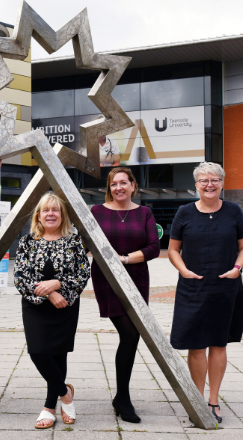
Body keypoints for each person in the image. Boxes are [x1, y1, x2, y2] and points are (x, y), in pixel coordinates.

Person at [167, 162, 243, 424]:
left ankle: (214, 400)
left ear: (222, 183)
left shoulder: (234, 211)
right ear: (196, 185)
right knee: (195, 345)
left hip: (226, 288)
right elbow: (172, 250)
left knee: (219, 343)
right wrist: (183, 270)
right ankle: (197, 400)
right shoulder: (184, 212)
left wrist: (238, 268)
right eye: (203, 180)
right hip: (193, 288)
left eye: (214, 180)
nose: (209, 184)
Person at [14, 192, 90, 429]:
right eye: (45, 210)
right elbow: (20, 277)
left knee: (59, 353)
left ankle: (49, 407)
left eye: (55, 210)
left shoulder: (74, 241)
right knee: (38, 352)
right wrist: (49, 292)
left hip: (65, 306)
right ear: (38, 215)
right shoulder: (27, 242)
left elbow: (82, 273)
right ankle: (65, 394)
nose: (50, 214)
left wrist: (59, 285)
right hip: (35, 307)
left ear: (62, 215)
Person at [90, 167, 160, 423]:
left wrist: (125, 259)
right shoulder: (96, 212)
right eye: (113, 183)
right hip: (107, 279)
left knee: (132, 335)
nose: (118, 187)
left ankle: (122, 396)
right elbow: (86, 242)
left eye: (123, 182)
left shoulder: (144, 212)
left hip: (136, 278)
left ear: (133, 185)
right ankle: (123, 397)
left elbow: (154, 247)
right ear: (109, 188)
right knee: (129, 333)